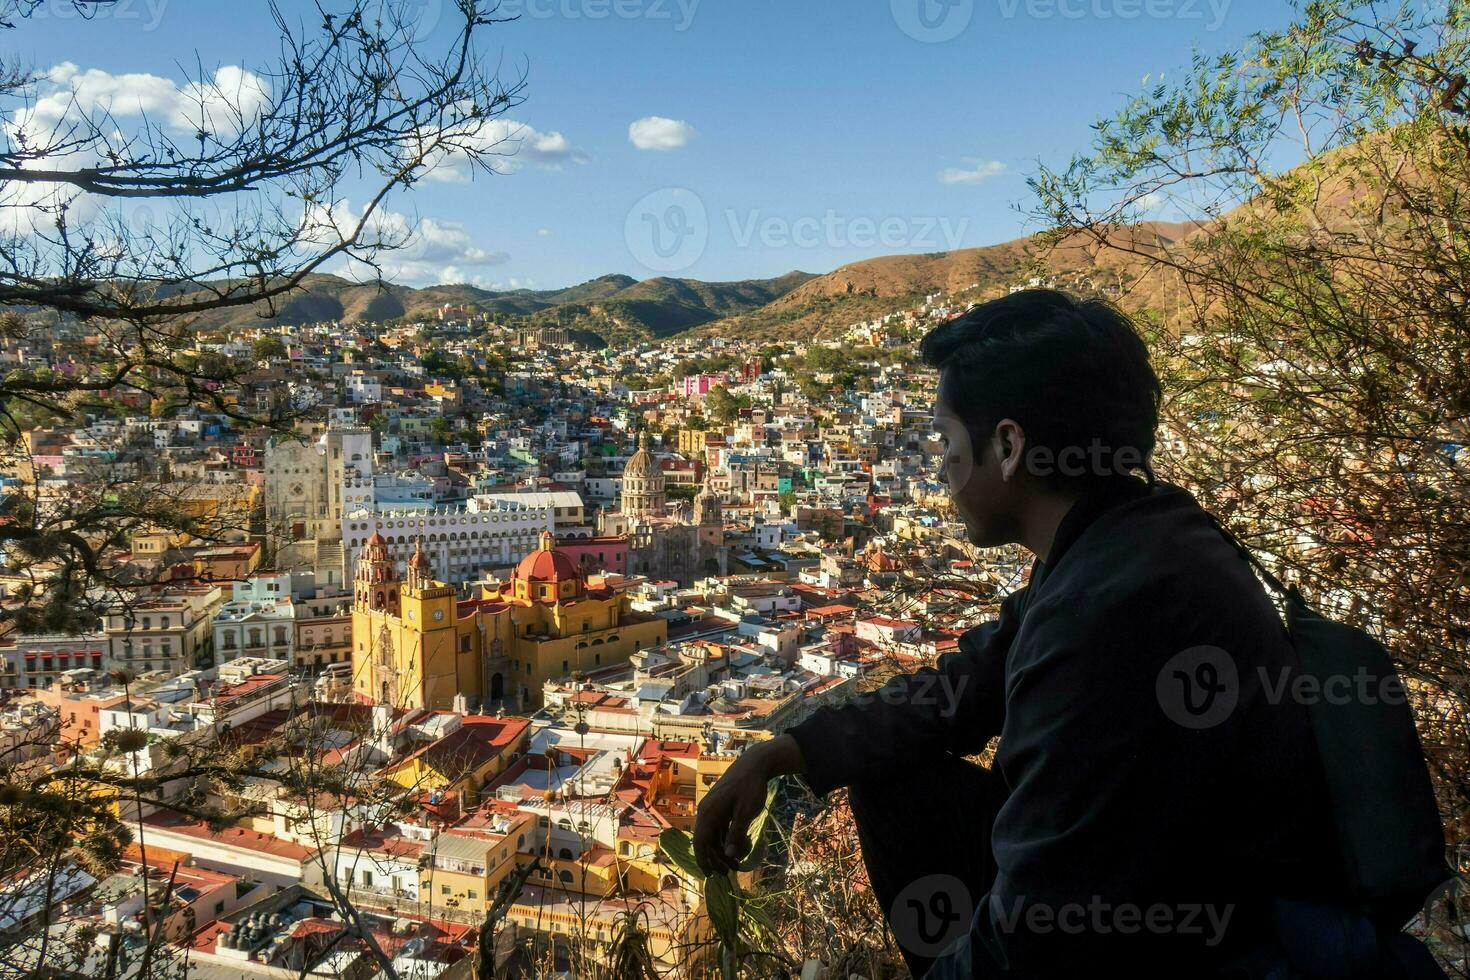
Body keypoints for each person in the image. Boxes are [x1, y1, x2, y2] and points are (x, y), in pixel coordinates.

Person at [694, 290, 1355, 978]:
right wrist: (786, 752)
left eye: (949, 441)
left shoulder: (1109, 611)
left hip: (1206, 939)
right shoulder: (1128, 539)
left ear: (1008, 446)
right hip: (1179, 886)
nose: (942, 466)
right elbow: (967, 684)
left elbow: (1039, 931)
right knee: (886, 771)